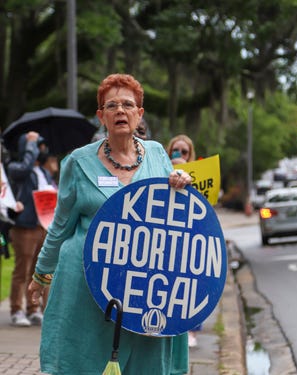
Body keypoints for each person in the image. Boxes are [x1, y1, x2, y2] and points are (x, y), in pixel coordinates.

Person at [28, 73, 192, 375]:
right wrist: (41, 276)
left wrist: (181, 184)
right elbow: (61, 226)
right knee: (89, 363)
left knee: (145, 363)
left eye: (128, 105)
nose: (120, 111)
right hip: (90, 285)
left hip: (146, 285)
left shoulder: (157, 154)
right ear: (100, 116)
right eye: (111, 105)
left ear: (139, 114)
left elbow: (176, 216)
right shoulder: (77, 162)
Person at [7, 131, 56, 327]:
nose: (40, 150)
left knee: (40, 269)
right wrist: (29, 145)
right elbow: (25, 168)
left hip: (42, 226)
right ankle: (17, 309)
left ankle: (34, 309)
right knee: (22, 269)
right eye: (37, 146)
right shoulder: (16, 168)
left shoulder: (43, 172)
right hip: (25, 226)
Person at [166, 134, 202, 348]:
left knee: (190, 286)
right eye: (175, 151)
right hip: (168, 238)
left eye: (184, 152)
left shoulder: (198, 178)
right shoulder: (159, 172)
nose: (179, 155)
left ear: (191, 155)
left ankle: (192, 330)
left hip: (189, 238)